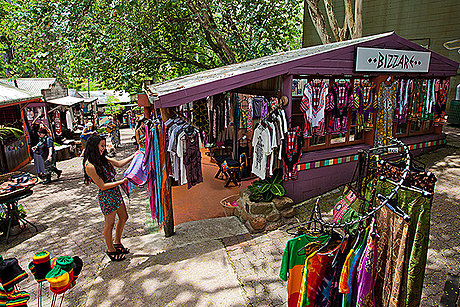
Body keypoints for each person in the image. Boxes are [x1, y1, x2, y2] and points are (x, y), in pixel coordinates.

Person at [83, 135, 135, 261]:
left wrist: (135, 155)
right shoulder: (89, 165)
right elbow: (102, 186)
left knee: (124, 217)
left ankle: (117, 242)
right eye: (102, 146)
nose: (104, 148)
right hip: (107, 195)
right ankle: (111, 250)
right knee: (109, 224)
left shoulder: (101, 158)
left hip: (115, 192)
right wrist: (121, 182)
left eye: (104, 145)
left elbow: (119, 163)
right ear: (94, 146)